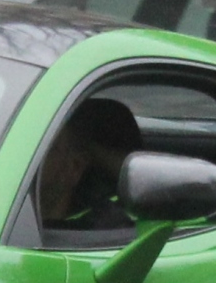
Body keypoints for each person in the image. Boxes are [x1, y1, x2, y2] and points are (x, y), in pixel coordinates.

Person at [38, 96, 143, 229]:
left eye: (46, 148)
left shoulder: (105, 232)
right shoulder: (10, 217)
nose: (32, 157)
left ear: (75, 167)